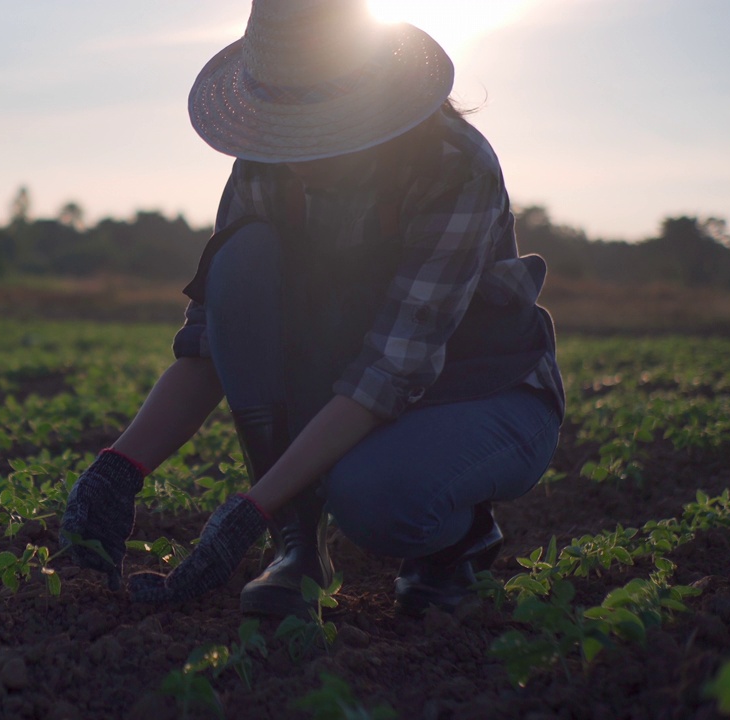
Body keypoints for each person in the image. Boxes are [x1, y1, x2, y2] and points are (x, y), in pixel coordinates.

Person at [60, 0, 564, 617]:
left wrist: (249, 507)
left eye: (318, 123)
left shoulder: (454, 166)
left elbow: (391, 370)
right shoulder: (268, 163)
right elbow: (215, 344)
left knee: (378, 499)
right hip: (355, 375)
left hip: (479, 388)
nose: (296, 153)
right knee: (240, 260)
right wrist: (118, 470)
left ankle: (457, 541)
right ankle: (296, 547)